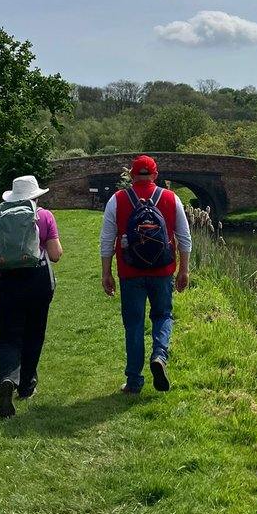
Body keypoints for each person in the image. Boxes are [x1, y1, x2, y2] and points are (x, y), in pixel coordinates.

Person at [100, 155, 191, 394]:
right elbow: (184, 238)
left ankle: (134, 381)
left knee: (134, 324)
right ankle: (159, 355)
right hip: (162, 270)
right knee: (163, 316)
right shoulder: (171, 198)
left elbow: (107, 240)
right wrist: (184, 269)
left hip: (130, 271)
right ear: (156, 175)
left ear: (131, 175)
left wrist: (106, 273)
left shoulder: (117, 200)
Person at [0, 174, 63, 418]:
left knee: (8, 334)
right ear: (36, 195)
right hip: (37, 281)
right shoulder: (45, 216)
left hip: (6, 281)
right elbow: (56, 255)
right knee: (34, 333)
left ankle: (7, 377)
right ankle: (26, 386)